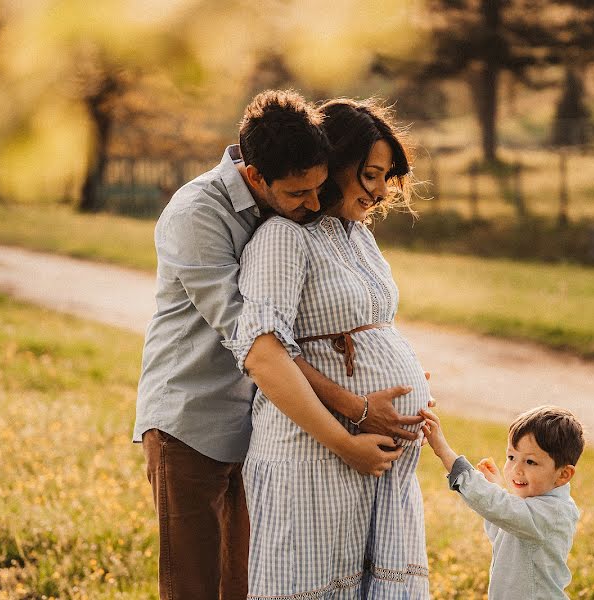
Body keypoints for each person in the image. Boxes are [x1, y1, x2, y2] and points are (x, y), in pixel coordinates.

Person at [133, 90, 419, 600]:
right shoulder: (198, 215)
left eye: (319, 188)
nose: (312, 204)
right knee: (194, 587)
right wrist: (354, 411)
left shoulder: (289, 208)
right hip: (193, 418)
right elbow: (261, 346)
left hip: (255, 424)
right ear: (255, 175)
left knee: (244, 586)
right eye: (298, 194)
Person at [224, 98, 431, 598]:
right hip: (312, 458)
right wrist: (358, 410)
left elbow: (371, 328)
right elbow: (265, 346)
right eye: (371, 175)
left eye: (387, 177)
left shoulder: (359, 238)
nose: (382, 191)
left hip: (377, 470)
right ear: (335, 165)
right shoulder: (282, 239)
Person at [420, 405, 585, 600]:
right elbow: (502, 528)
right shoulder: (532, 505)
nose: (516, 469)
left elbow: (501, 509)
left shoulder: (554, 513)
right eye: (511, 457)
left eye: (530, 462)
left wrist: (444, 452)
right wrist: (496, 488)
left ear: (563, 474)